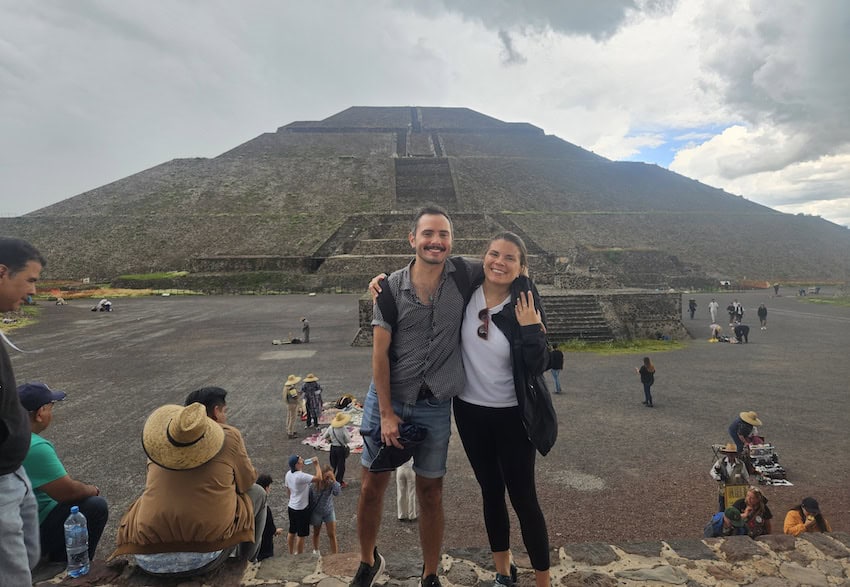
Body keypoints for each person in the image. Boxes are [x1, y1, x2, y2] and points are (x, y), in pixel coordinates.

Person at [354, 205, 475, 587]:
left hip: (436, 402)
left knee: (431, 491)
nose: (436, 241)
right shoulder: (389, 289)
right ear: (412, 239)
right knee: (372, 486)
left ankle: (430, 572)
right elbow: (378, 354)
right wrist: (387, 413)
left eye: (443, 235)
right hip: (388, 398)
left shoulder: (465, 276)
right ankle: (367, 559)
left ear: (451, 242)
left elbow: (506, 265)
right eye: (428, 234)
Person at [453, 232, 552, 587]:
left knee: (524, 498)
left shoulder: (524, 305)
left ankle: (542, 580)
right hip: (469, 412)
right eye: (494, 254)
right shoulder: (465, 289)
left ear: (521, 267)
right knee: (490, 491)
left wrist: (530, 330)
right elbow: (426, 264)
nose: (499, 262)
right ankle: (503, 572)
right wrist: (385, 282)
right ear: (484, 258)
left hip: (513, 415)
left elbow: (539, 365)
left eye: (509, 258)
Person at [111, 399, 267, 576]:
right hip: (204, 559)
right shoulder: (230, 438)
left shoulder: (157, 449)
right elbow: (247, 483)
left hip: (146, 556)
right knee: (258, 493)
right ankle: (245, 564)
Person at [19, 382, 109, 565]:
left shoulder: (10, 436)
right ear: (39, 413)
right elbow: (68, 492)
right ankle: (67, 567)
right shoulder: (34, 447)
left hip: (13, 526)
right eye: (51, 407)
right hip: (27, 533)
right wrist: (92, 489)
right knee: (95, 506)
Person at [0, 237, 45, 586]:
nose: (31, 292)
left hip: (14, 474)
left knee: (26, 562)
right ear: (2, 272)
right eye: (29, 280)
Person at [285, 455, 323, 554]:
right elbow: (319, 478)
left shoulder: (288, 474)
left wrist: (291, 499)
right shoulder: (300, 476)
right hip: (301, 508)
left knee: (292, 531)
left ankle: (290, 553)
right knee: (301, 535)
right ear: (297, 465)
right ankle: (299, 555)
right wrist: (316, 464)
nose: (302, 460)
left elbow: (288, 489)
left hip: (291, 506)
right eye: (300, 460)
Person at [310, 468, 342, 555]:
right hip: (316, 512)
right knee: (316, 533)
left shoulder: (331, 484)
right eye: (326, 476)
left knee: (332, 534)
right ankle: (316, 551)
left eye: (329, 477)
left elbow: (337, 492)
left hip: (328, 511)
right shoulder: (313, 485)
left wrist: (334, 480)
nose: (328, 479)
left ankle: (335, 555)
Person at [710, 443, 749, 511]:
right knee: (722, 511)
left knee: (737, 511)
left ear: (735, 454)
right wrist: (718, 478)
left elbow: (746, 477)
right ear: (726, 453)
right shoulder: (720, 462)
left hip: (736, 493)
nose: (731, 454)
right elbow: (712, 472)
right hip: (723, 491)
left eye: (733, 453)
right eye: (729, 453)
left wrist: (746, 488)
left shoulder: (741, 464)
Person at [255, 474, 283, 561]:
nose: (270, 489)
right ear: (266, 488)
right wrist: (276, 531)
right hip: (264, 547)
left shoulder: (252, 503)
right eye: (270, 486)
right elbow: (269, 528)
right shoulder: (265, 509)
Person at [323, 412, 351, 487]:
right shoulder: (343, 429)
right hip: (340, 449)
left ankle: (330, 479)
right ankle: (339, 481)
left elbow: (324, 436)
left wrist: (330, 440)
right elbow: (348, 440)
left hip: (333, 448)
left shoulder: (331, 427)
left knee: (333, 465)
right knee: (341, 466)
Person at [283, 375, 302, 439]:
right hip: (293, 404)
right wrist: (300, 393)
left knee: (289, 417)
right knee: (293, 418)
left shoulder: (286, 387)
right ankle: (290, 432)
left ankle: (288, 429)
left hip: (288, 404)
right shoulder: (292, 389)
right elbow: (295, 397)